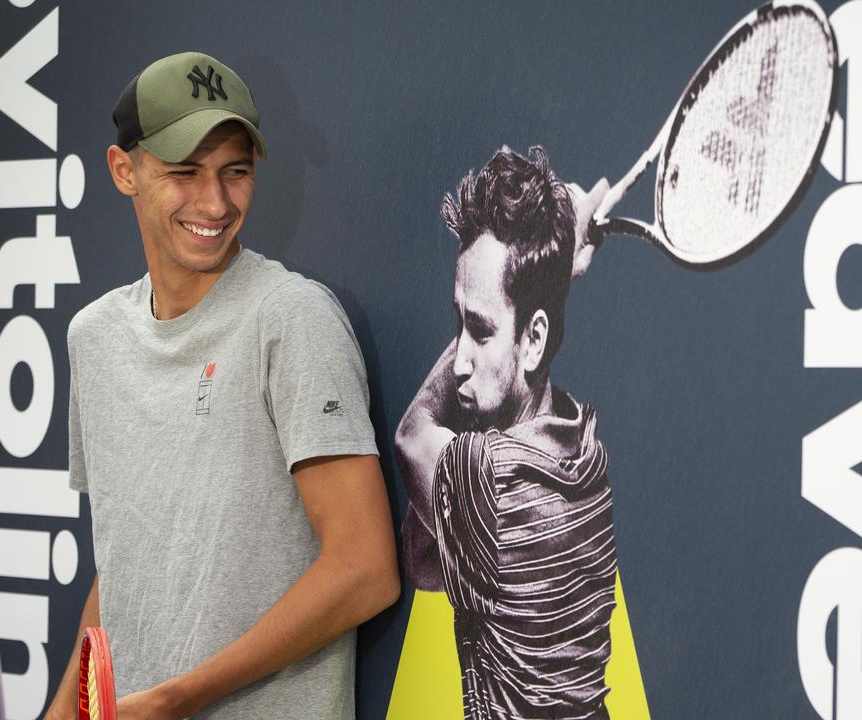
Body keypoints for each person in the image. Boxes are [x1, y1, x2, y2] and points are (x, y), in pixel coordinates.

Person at [44, 52, 399, 720]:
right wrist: (65, 707)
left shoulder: (293, 319)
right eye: (184, 173)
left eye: (235, 171)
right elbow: (124, 559)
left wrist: (181, 696)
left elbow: (366, 568)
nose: (215, 202)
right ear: (125, 171)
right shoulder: (92, 337)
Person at [395, 146, 616, 720]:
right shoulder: (583, 449)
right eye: (457, 322)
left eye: (480, 329)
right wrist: (548, 278)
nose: (462, 359)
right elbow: (424, 563)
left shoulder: (494, 482)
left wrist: (555, 270)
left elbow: (413, 437)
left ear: (535, 339)